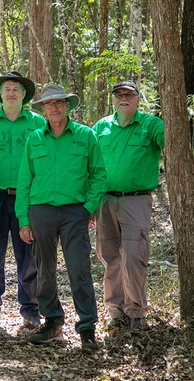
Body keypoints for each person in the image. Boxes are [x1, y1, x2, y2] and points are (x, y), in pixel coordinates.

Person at [15, 84, 106, 352]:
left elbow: (99, 175)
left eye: (58, 103)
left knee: (79, 268)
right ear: (42, 110)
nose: (53, 108)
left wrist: (87, 207)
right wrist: (23, 218)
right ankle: (52, 321)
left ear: (67, 106)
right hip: (41, 211)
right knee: (44, 269)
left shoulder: (85, 136)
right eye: (48, 104)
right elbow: (24, 180)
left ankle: (87, 328)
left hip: (74, 212)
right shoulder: (34, 139)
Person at [93, 80, 165, 332]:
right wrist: (90, 201)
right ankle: (115, 310)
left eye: (129, 94)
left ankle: (136, 311)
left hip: (136, 199)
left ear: (137, 98)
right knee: (110, 256)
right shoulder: (102, 126)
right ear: (113, 98)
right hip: (104, 199)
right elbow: (90, 166)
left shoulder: (151, 125)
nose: (124, 98)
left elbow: (171, 143)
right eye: (119, 94)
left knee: (133, 255)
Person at [0, 71, 45, 329]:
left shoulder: (38, 123)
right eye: (7, 88)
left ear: (24, 94)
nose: (12, 92)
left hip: (27, 197)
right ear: (1, 94)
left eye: (16, 88)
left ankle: (30, 310)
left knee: (28, 253)